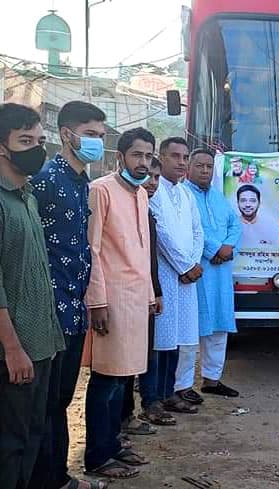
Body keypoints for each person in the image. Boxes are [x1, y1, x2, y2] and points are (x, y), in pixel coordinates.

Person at [27, 101, 106, 489]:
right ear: (66, 135)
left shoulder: (82, 185)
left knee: (59, 403)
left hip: (73, 312)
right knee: (41, 408)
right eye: (91, 135)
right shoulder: (42, 180)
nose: (97, 143)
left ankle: (58, 476)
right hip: (45, 313)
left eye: (101, 137)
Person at [83, 127, 158, 479]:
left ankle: (113, 444)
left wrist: (147, 297)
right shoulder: (101, 191)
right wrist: (97, 301)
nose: (143, 162)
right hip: (110, 301)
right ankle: (97, 455)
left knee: (126, 377)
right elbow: (93, 250)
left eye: (147, 156)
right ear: (120, 156)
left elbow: (142, 253)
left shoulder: (142, 194)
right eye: (137, 155)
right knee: (106, 379)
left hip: (135, 302)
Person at [0, 103, 66, 489]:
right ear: (2, 147)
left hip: (41, 344)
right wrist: (12, 348)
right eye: (25, 140)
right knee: (11, 445)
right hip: (15, 352)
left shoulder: (26, 197)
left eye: (40, 140)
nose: (37, 148)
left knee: (32, 438)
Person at [150, 137, 204, 414]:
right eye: (175, 156)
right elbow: (161, 234)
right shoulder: (154, 190)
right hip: (166, 276)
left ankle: (172, 392)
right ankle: (154, 398)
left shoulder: (186, 193)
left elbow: (198, 231)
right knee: (161, 341)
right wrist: (184, 266)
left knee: (180, 340)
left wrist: (193, 264)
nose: (181, 163)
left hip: (187, 278)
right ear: (161, 156)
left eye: (185, 157)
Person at [121, 156, 174, 430]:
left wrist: (156, 291)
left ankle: (146, 404)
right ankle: (126, 416)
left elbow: (149, 259)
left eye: (156, 178)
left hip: (147, 293)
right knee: (123, 363)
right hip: (123, 294)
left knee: (146, 351)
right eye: (149, 176)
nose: (152, 182)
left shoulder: (147, 208)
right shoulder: (120, 201)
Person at [185, 148, 241, 398]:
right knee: (189, 330)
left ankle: (212, 379)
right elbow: (190, 229)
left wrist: (229, 246)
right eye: (199, 166)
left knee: (219, 327)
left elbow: (235, 224)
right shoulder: (184, 195)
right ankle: (181, 386)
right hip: (195, 271)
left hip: (220, 273)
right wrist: (215, 249)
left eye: (209, 166)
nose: (205, 170)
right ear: (189, 167)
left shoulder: (219, 197)